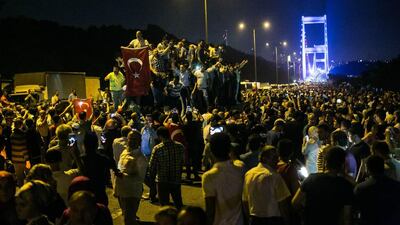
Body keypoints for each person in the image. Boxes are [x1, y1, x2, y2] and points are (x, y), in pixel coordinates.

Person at [292, 146, 354, 225]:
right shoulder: (345, 186)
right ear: (342, 164)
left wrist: (304, 214)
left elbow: (295, 203)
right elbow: (347, 217)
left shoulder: (311, 179)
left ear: (325, 162)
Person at [202, 132, 244, 225]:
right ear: (229, 148)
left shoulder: (209, 176)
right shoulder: (241, 168)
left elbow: (210, 211)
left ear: (211, 151)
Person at [243, 145, 291, 225]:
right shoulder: (274, 177)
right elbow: (283, 204)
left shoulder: (249, 174)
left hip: (254, 220)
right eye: (274, 157)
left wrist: (249, 219)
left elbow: (245, 201)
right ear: (264, 158)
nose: (277, 160)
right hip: (273, 220)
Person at [354, 155, 400, 225]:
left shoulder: (360, 188)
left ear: (367, 169)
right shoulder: (397, 186)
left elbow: (356, 211)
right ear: (383, 168)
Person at [114, 130, 148, 225]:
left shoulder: (140, 158)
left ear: (139, 141)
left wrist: (123, 175)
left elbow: (140, 178)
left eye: (134, 139)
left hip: (131, 194)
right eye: (130, 138)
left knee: (129, 219)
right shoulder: (125, 151)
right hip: (121, 192)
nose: (131, 141)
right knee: (126, 216)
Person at [149, 126, 185, 208]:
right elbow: (183, 162)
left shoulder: (157, 148)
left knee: (164, 205)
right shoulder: (180, 146)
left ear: (160, 136)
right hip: (176, 178)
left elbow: (152, 166)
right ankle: (181, 219)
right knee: (178, 202)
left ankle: (167, 220)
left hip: (162, 180)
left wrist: (151, 179)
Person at [10, 117, 29, 186]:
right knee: (29, 176)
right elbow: (23, 148)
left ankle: (21, 193)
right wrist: (27, 160)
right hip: (23, 159)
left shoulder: (11, 135)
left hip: (15, 159)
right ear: (21, 125)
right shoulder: (22, 135)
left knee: (19, 178)